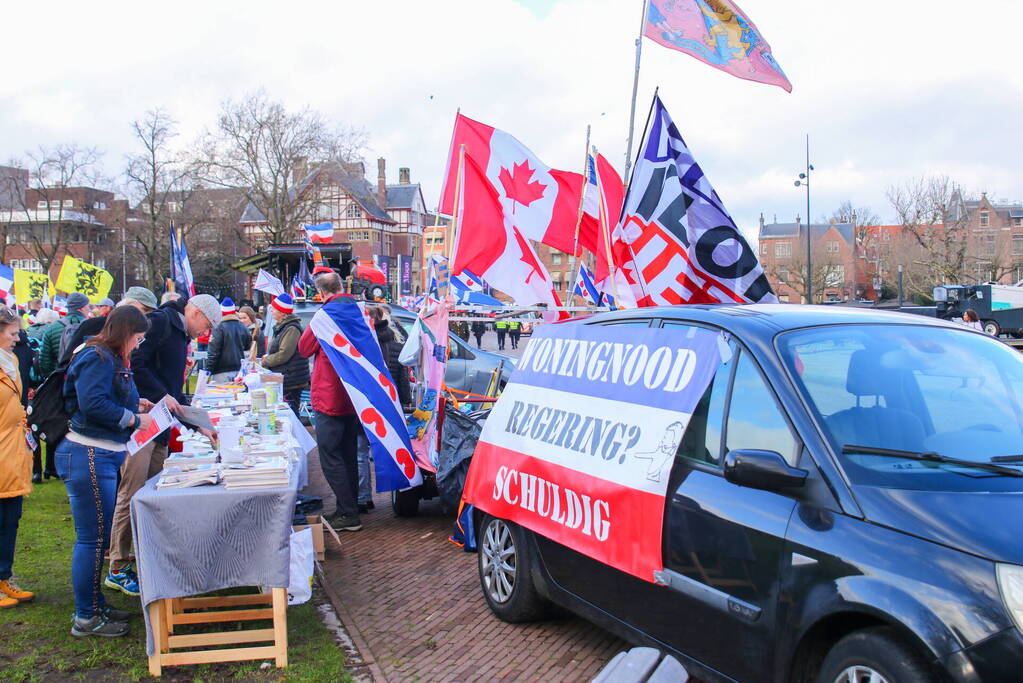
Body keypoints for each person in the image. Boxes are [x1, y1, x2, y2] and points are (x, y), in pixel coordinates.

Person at [104, 294, 220, 596]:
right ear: (193, 312)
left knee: (153, 491)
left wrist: (200, 424)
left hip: (161, 425)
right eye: (204, 324)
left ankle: (144, 555)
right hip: (142, 419)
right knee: (131, 492)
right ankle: (118, 563)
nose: (203, 332)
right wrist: (160, 395)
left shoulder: (179, 333)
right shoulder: (159, 323)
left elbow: (173, 389)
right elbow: (135, 364)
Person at [55, 306, 153, 636]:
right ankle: (86, 616)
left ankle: (95, 605)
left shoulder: (105, 357)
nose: (138, 345)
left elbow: (105, 397)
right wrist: (133, 419)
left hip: (101, 454)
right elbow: (92, 403)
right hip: (89, 453)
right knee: (93, 540)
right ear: (125, 333)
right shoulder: (97, 356)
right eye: (137, 338)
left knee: (97, 540)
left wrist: (135, 405)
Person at [298, 271, 363, 532]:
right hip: (355, 395)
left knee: (330, 454)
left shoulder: (324, 315)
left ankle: (347, 512)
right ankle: (352, 507)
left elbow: (304, 348)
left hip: (329, 395)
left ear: (322, 293)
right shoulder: (360, 312)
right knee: (348, 454)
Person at [0, 306, 34, 610]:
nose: (17, 338)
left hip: (12, 450)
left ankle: (4, 576)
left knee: (11, 518)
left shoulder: (10, 360)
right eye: (12, 333)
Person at [58, 287, 159, 367]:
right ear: (128, 305)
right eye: (144, 309)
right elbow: (68, 362)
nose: (146, 316)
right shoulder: (92, 326)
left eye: (150, 312)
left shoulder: (148, 330)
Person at [260, 294, 308, 415]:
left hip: (291, 379)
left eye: (274, 308)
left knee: (291, 413)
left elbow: (284, 354)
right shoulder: (283, 327)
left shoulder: (291, 328)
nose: (271, 310)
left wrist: (265, 361)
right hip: (286, 377)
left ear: (282, 312)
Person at [39, 293, 91, 377]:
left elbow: (45, 361)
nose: (89, 309)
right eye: (88, 306)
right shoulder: (92, 326)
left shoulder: (52, 328)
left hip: (61, 377)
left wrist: (52, 377)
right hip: (85, 378)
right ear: (81, 308)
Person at [206, 298, 249, 382]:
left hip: (221, 370)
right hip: (239, 370)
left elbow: (213, 352)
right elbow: (247, 349)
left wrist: (208, 371)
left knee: (222, 394)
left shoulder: (218, 327)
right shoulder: (243, 327)